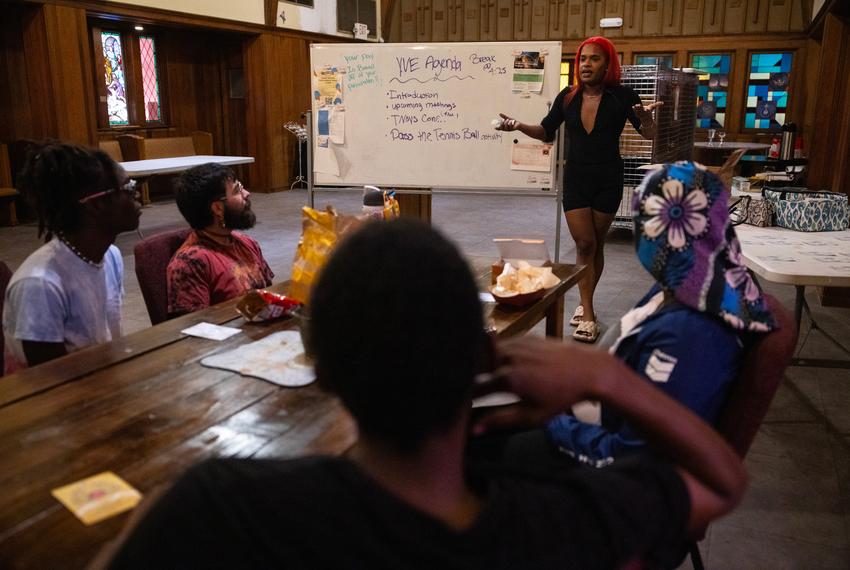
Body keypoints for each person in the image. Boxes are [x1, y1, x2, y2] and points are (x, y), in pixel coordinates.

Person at [102, 220, 746, 570]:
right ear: (486, 359)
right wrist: (604, 375)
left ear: (321, 373)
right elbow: (722, 482)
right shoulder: (565, 520)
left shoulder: (223, 510)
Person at [547, 163, 777, 467]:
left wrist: (548, 420)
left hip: (600, 472)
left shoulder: (691, 333)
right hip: (596, 418)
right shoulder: (698, 286)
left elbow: (634, 457)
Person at [498, 37, 662, 343]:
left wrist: (647, 120)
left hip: (608, 179)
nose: (586, 64)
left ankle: (587, 301)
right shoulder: (568, 97)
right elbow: (546, 131)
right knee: (584, 243)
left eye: (594, 59)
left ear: (607, 64)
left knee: (595, 244)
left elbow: (650, 135)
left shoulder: (623, 97)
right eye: (583, 59)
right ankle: (587, 313)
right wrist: (520, 125)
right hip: (575, 179)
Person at [2, 141, 141, 374]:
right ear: (96, 204)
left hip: (100, 383)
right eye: (128, 187)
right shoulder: (40, 284)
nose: (136, 194)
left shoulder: (111, 256)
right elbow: (49, 380)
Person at [167, 163, 273, 317]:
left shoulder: (247, 243)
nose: (247, 193)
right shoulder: (189, 263)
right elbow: (197, 329)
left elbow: (269, 297)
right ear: (217, 208)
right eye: (237, 190)